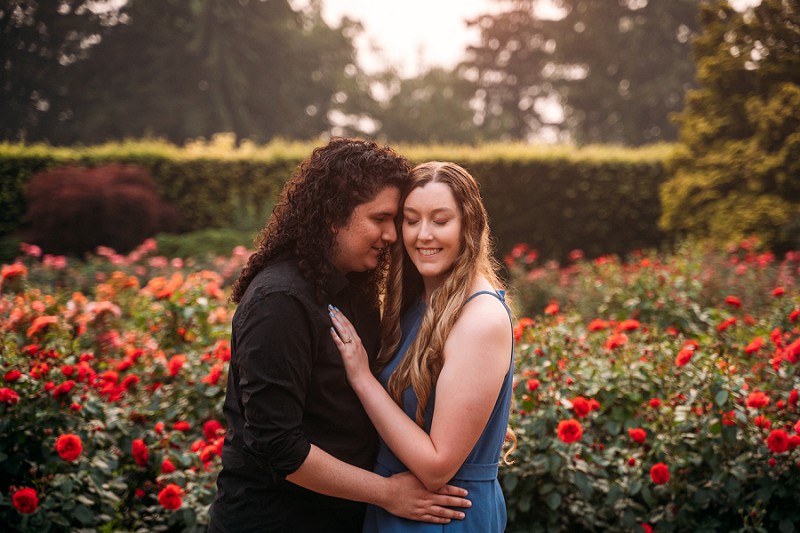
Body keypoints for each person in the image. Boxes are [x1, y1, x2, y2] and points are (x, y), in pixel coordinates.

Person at [208, 140, 471, 533]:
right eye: (380, 218)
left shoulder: (353, 288)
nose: (392, 235)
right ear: (333, 216)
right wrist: (387, 493)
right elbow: (278, 446)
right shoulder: (279, 301)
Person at [330, 161, 515, 532]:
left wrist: (362, 377)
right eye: (411, 220)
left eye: (440, 220)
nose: (423, 235)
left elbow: (436, 467)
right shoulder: (416, 304)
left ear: (469, 226)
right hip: (396, 509)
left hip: (443, 515)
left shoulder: (479, 320)